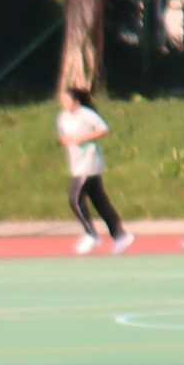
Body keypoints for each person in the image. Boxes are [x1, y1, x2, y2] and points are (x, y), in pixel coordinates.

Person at [56, 85, 128, 253]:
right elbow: (63, 136)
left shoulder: (86, 114)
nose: (64, 103)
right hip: (76, 162)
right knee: (99, 200)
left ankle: (91, 234)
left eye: (67, 100)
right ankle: (120, 235)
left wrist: (82, 138)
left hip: (89, 161)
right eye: (62, 100)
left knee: (74, 198)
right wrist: (65, 140)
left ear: (76, 102)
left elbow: (103, 130)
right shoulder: (63, 117)